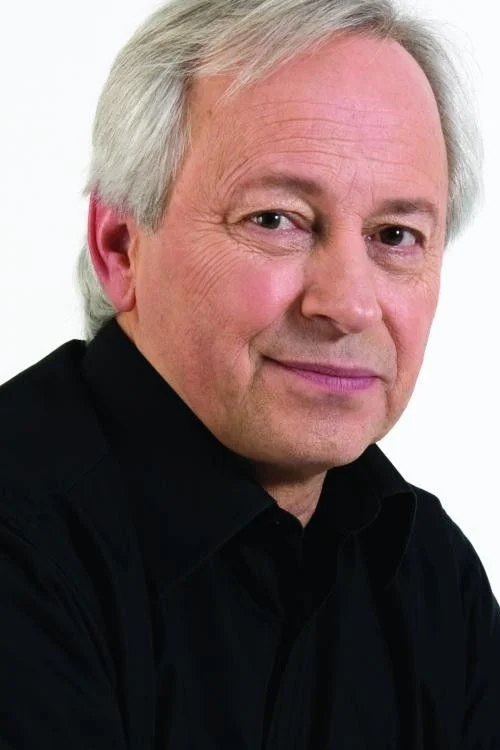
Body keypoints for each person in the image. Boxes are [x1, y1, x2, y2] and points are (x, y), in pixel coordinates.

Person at [0, 0, 498, 747]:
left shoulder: (429, 573)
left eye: (396, 235)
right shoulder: (20, 543)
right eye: (275, 220)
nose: (349, 305)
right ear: (120, 247)